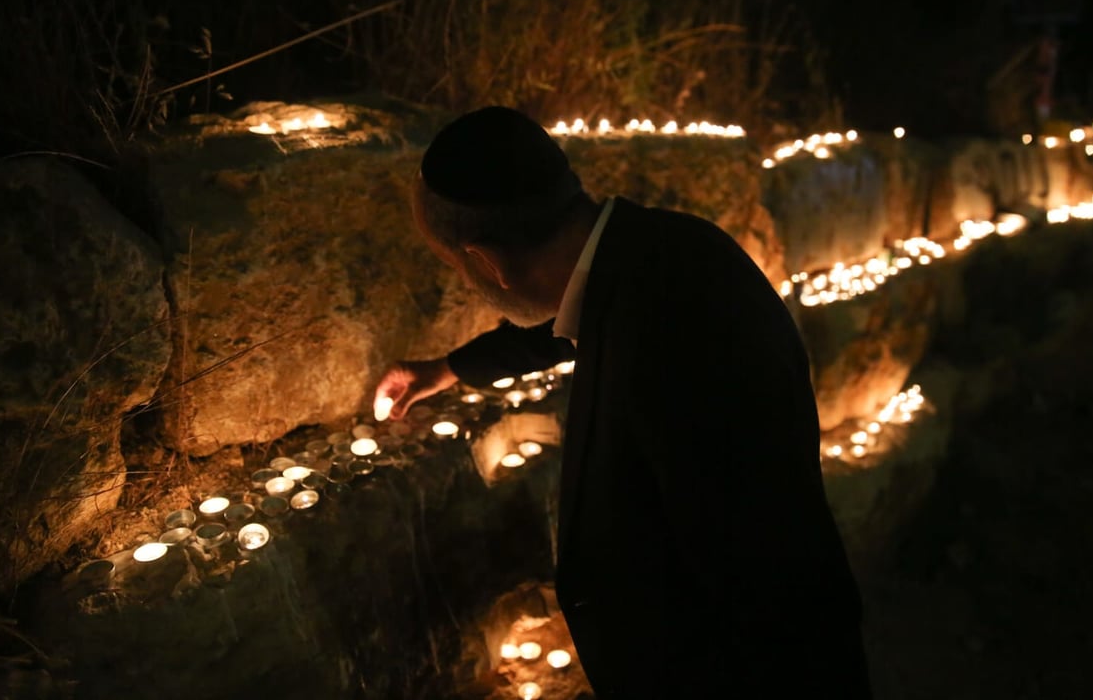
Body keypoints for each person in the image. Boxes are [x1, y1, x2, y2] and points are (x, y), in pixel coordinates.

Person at [373, 106, 871, 697]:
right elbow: (561, 320)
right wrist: (449, 370)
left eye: (458, 266)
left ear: (487, 261)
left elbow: (759, 581)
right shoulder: (655, 253)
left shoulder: (674, 339)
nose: (464, 278)